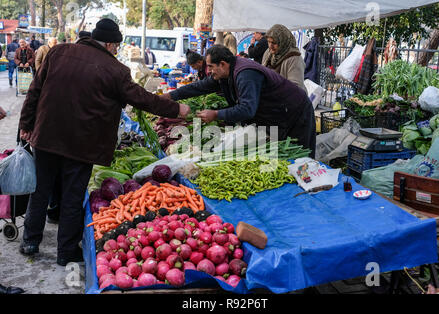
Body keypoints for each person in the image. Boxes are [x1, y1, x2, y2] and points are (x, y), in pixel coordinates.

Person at [18, 18, 190, 266]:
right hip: (82, 144)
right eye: (116, 46)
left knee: (40, 189)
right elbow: (143, 99)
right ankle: (65, 252)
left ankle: (30, 242)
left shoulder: (58, 52)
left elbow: (34, 90)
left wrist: (26, 124)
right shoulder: (116, 70)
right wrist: (176, 108)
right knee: (72, 197)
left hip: (47, 135)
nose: (116, 51)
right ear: (110, 44)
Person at [162, 45, 316, 157]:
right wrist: (171, 96)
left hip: (296, 111)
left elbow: (247, 109)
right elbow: (199, 87)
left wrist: (216, 114)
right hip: (278, 114)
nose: (208, 71)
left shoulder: (245, 74)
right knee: (282, 155)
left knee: (301, 156)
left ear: (222, 64)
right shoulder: (224, 73)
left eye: (210, 67)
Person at [262, 24, 307, 93]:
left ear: (283, 42)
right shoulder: (268, 53)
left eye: (274, 43)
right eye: (268, 41)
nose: (270, 46)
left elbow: (296, 89)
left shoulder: (294, 59)